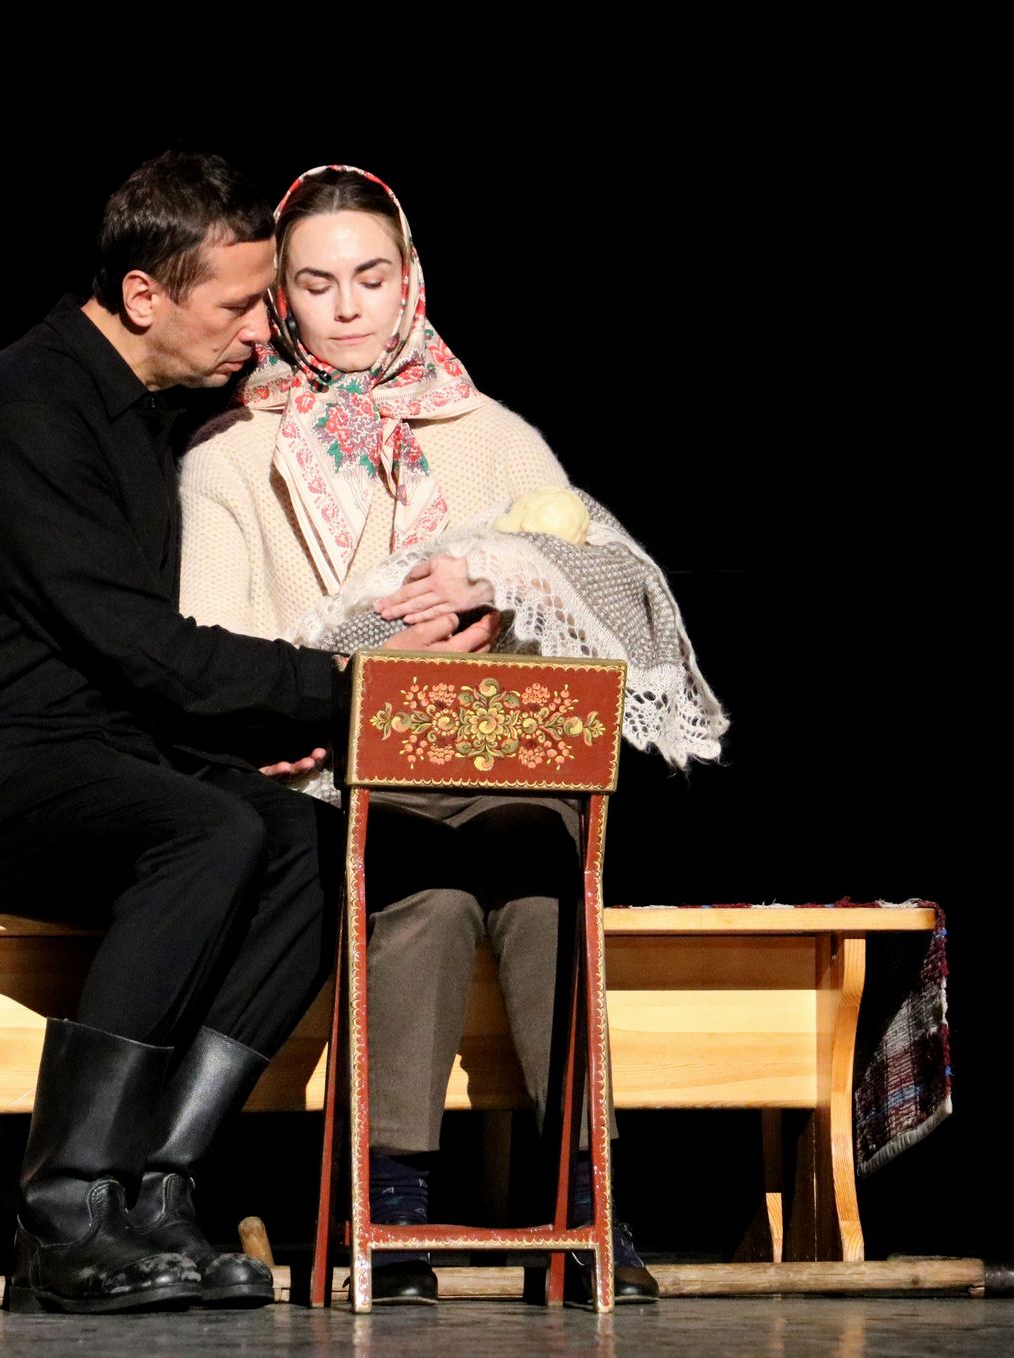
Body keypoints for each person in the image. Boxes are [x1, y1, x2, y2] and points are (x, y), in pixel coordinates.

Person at [0, 151, 493, 1316]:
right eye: (241, 304)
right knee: (203, 831)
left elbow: (136, 679)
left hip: (90, 761)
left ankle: (155, 1191)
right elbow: (144, 648)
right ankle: (63, 1209)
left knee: (309, 844)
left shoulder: (145, 418)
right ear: (144, 295)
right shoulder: (20, 410)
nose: (262, 330)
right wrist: (353, 684)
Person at [179, 165, 714, 1306]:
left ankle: (587, 1201)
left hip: (498, 772)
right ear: (280, 297)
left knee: (543, 871)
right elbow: (215, 652)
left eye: (370, 278)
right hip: (337, 780)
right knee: (421, 888)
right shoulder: (231, 454)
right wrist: (356, 668)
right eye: (315, 284)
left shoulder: (494, 437)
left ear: (409, 279)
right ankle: (395, 1207)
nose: (347, 307)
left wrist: (503, 579)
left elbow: (604, 588)